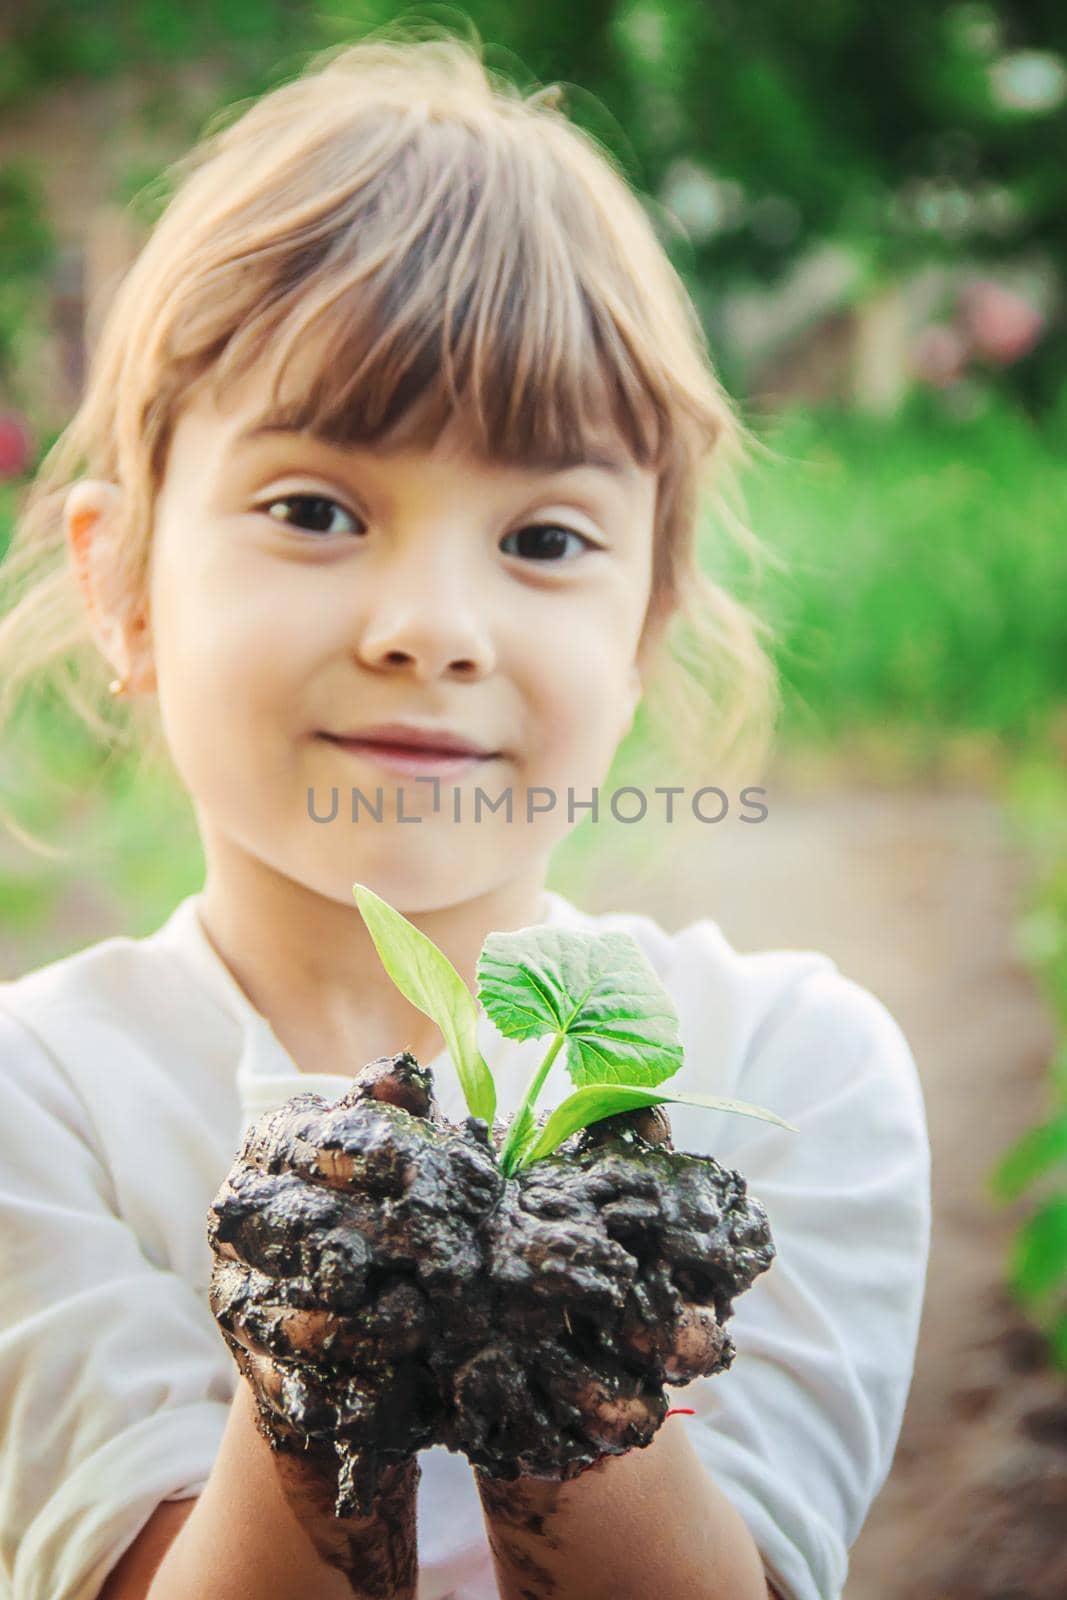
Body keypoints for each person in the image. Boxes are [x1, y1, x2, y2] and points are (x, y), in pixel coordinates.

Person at [0, 32, 931, 1600]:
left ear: (643, 630)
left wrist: (564, 1284)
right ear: (120, 583)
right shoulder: (40, 1106)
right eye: (315, 510)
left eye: (547, 536)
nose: (432, 624)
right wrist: (341, 1280)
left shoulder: (791, 1070)